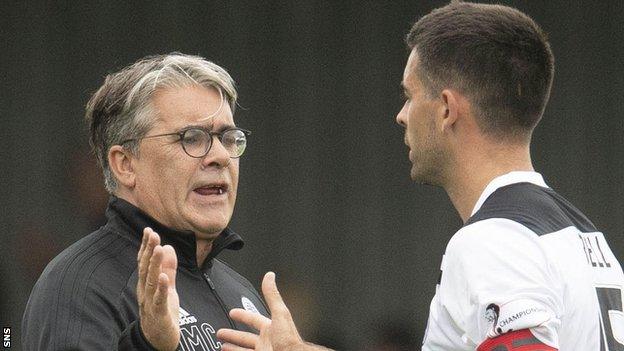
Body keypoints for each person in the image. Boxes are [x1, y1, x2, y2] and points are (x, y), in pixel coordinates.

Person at [216, 2, 624, 351]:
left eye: (409, 96)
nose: (401, 114)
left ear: (446, 108)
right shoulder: (585, 239)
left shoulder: (494, 240)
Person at [22, 53, 269, 350]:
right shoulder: (79, 286)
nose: (219, 156)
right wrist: (146, 343)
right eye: (191, 137)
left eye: (228, 137)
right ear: (125, 164)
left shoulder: (241, 292)